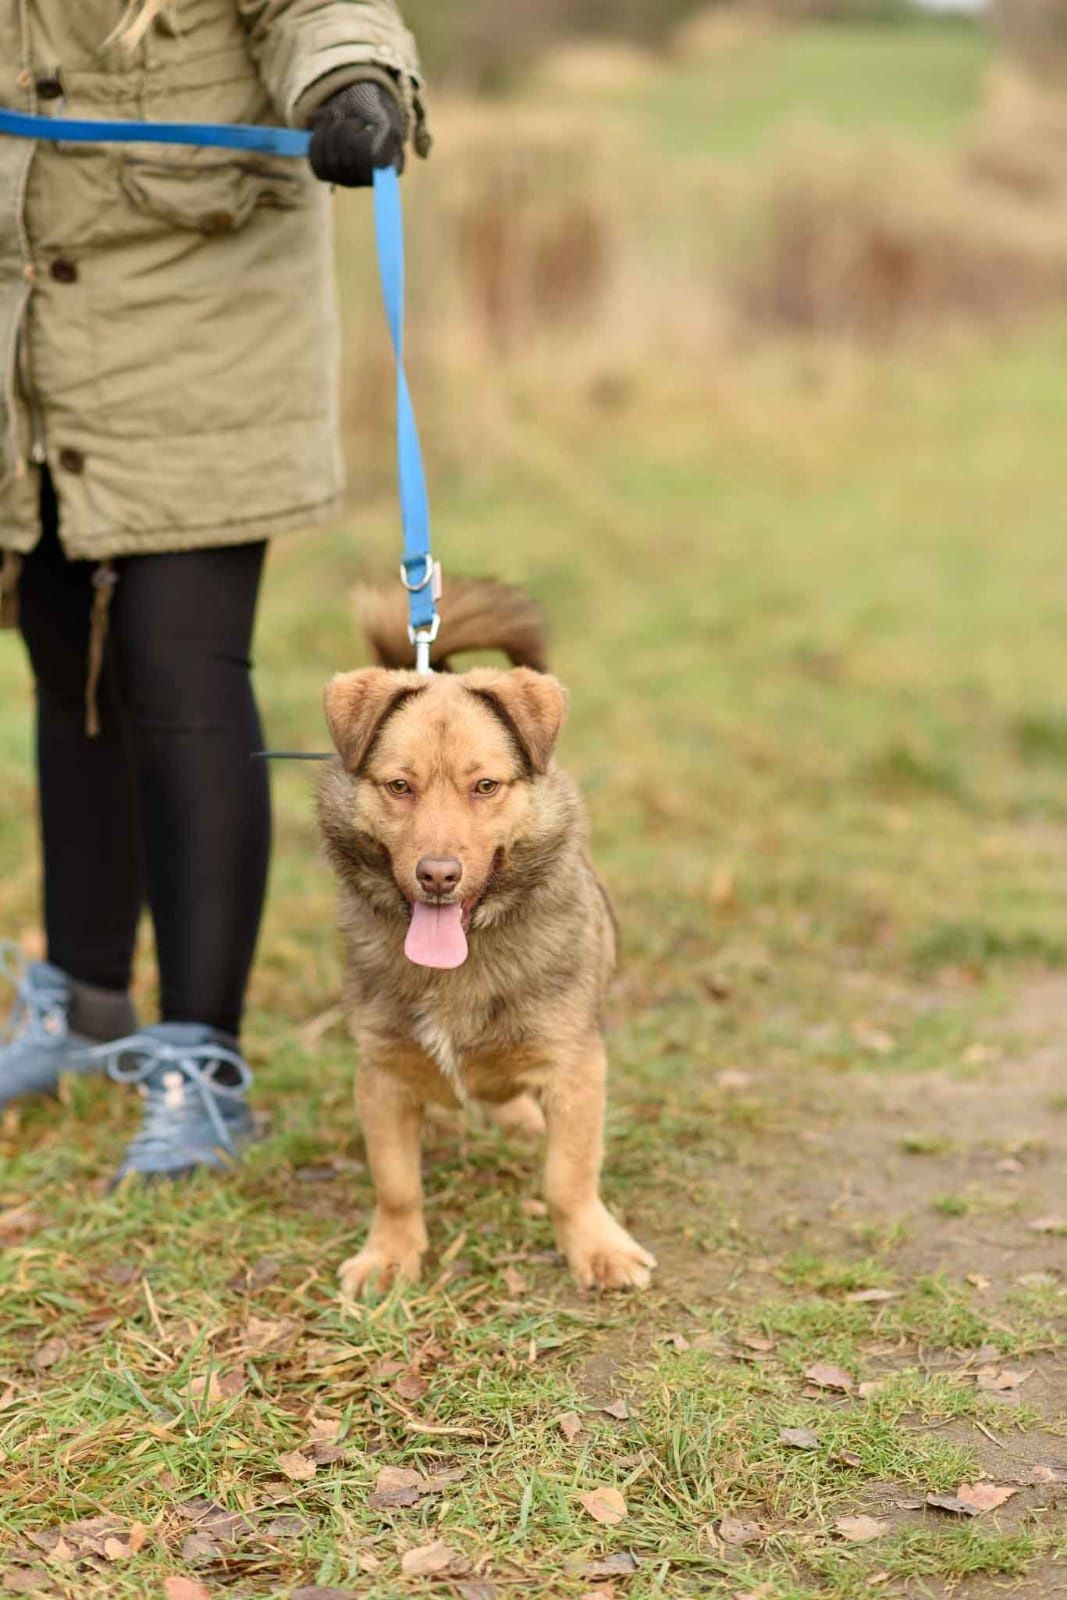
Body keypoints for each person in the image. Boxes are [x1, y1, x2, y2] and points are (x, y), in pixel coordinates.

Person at [0, 0, 428, 1180]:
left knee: (173, 671)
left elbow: (320, 11)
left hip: (198, 342)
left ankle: (202, 1057)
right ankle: (82, 997)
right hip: (24, 342)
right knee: (63, 670)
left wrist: (352, 83)